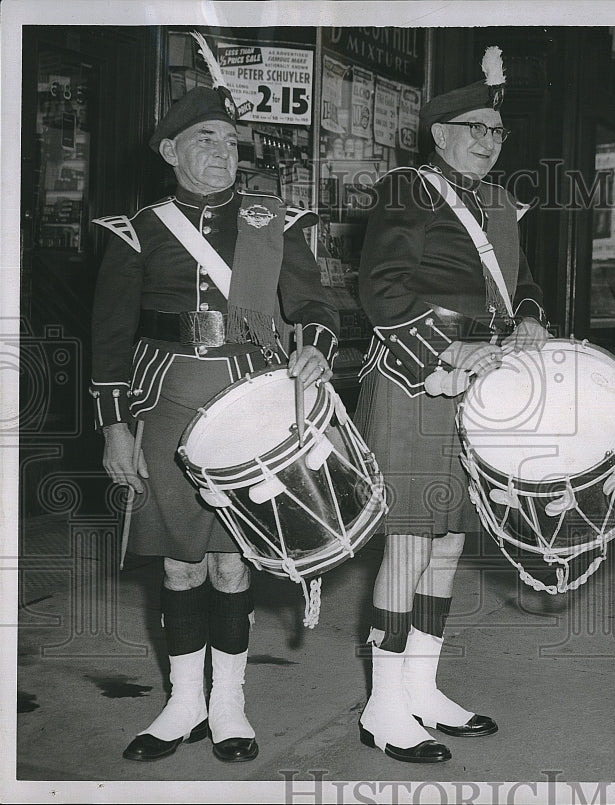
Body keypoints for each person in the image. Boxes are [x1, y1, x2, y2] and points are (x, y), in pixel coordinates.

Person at [90, 79, 340, 763]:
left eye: (231, 141)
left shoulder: (272, 222)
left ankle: (229, 704)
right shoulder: (138, 230)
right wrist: (114, 426)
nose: (224, 151)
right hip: (164, 406)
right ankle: (182, 703)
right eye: (206, 138)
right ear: (170, 149)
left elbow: (315, 307)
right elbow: (109, 339)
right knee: (179, 565)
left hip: (250, 404)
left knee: (232, 563)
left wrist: (314, 349)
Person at [353, 46, 548, 764]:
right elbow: (382, 291)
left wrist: (527, 315)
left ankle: (423, 687)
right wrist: (440, 354)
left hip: (484, 380)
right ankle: (382, 703)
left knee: (449, 537)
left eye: (496, 133)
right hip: (417, 378)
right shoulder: (408, 190)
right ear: (439, 133)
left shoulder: (499, 201)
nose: (488, 143)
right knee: (409, 535)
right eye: (474, 129)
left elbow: (520, 282)